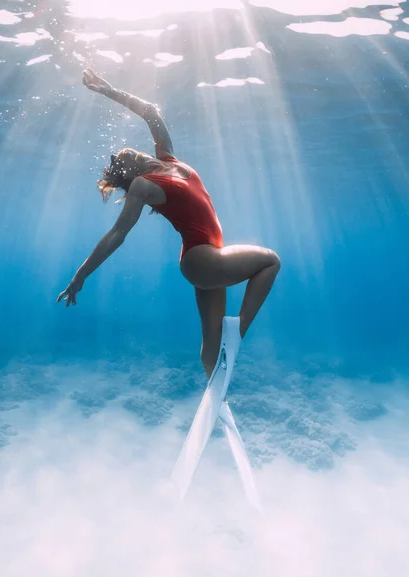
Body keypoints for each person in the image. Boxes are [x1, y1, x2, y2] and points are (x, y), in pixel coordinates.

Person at [57, 68, 281, 378]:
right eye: (116, 160)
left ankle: (215, 394)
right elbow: (117, 234)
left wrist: (108, 90)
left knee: (211, 342)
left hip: (209, 260)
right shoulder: (143, 186)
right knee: (270, 261)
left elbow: (150, 112)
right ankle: (239, 329)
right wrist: (81, 274)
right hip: (200, 258)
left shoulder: (168, 157)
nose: (117, 152)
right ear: (129, 173)